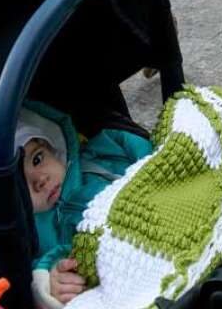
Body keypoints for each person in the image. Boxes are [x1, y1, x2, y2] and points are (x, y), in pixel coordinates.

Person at [16, 103, 152, 306]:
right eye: (21, 185)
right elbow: (47, 264)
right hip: (126, 274)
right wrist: (50, 281)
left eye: (37, 159)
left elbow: (145, 152)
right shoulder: (36, 233)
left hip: (155, 209)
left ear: (54, 148)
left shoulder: (96, 155)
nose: (40, 180)